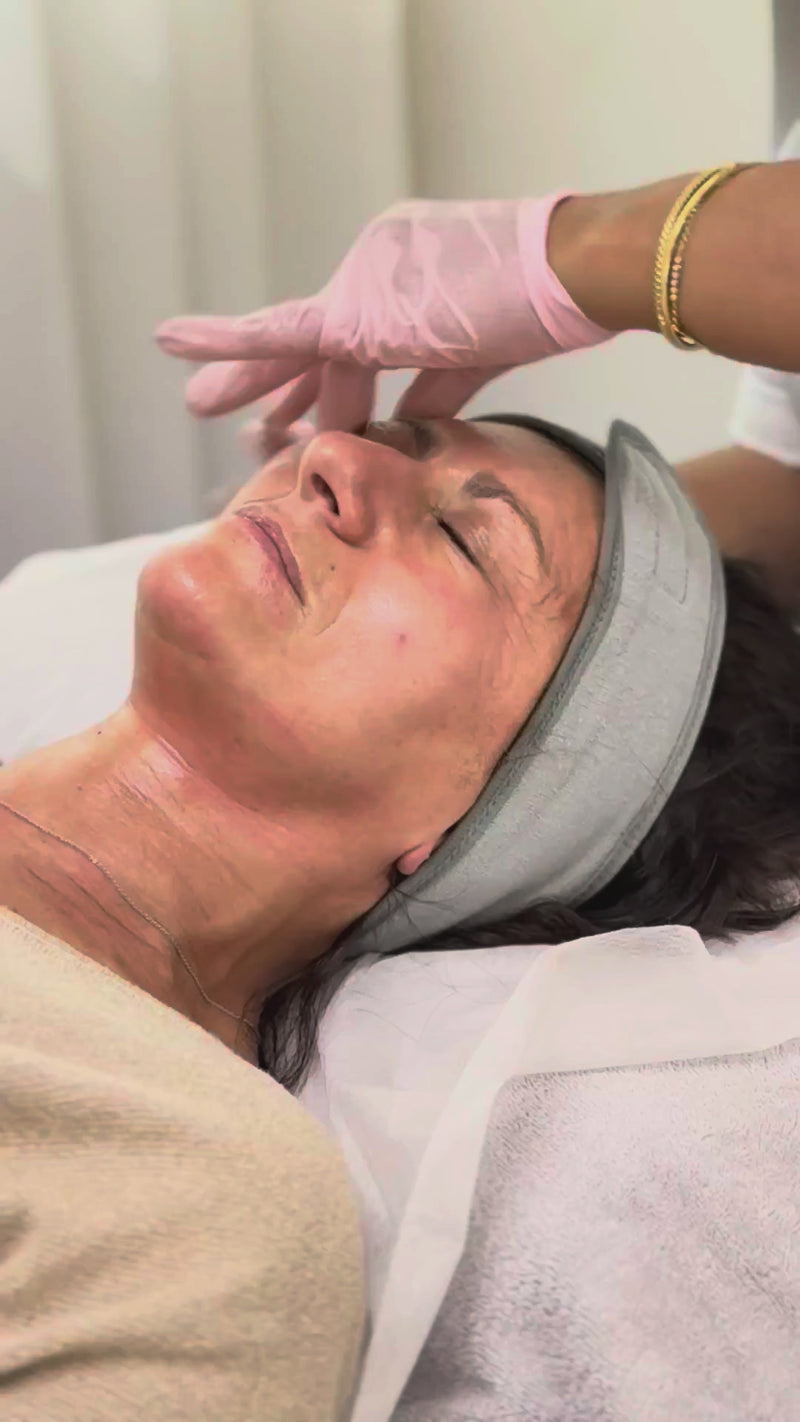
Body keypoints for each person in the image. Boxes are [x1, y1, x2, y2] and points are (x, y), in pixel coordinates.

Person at [2, 158, 800, 1422]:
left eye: (463, 540)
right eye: (388, 442)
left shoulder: (187, 1214)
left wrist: (581, 252)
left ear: (490, 826)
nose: (334, 458)